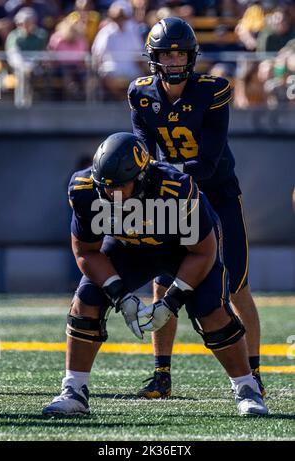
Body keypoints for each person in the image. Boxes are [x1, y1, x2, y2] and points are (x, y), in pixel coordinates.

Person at [42, 132, 268, 417]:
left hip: (182, 250)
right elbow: (86, 251)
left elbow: (203, 252)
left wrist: (171, 302)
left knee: (210, 310)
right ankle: (74, 390)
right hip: (128, 248)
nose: (112, 194)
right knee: (86, 299)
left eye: (120, 186)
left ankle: (247, 388)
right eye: (106, 187)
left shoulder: (176, 188)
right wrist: (120, 295)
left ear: (142, 176)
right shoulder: (85, 188)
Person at [127, 17, 265, 399]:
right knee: (161, 282)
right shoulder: (140, 94)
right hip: (173, 196)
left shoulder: (214, 90)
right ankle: (161, 375)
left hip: (217, 192)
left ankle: (253, 374)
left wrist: (155, 175)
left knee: (236, 286)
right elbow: (143, 153)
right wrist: (151, 180)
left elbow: (206, 162)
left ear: (191, 55)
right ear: (153, 58)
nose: (173, 60)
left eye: (180, 53)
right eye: (166, 53)